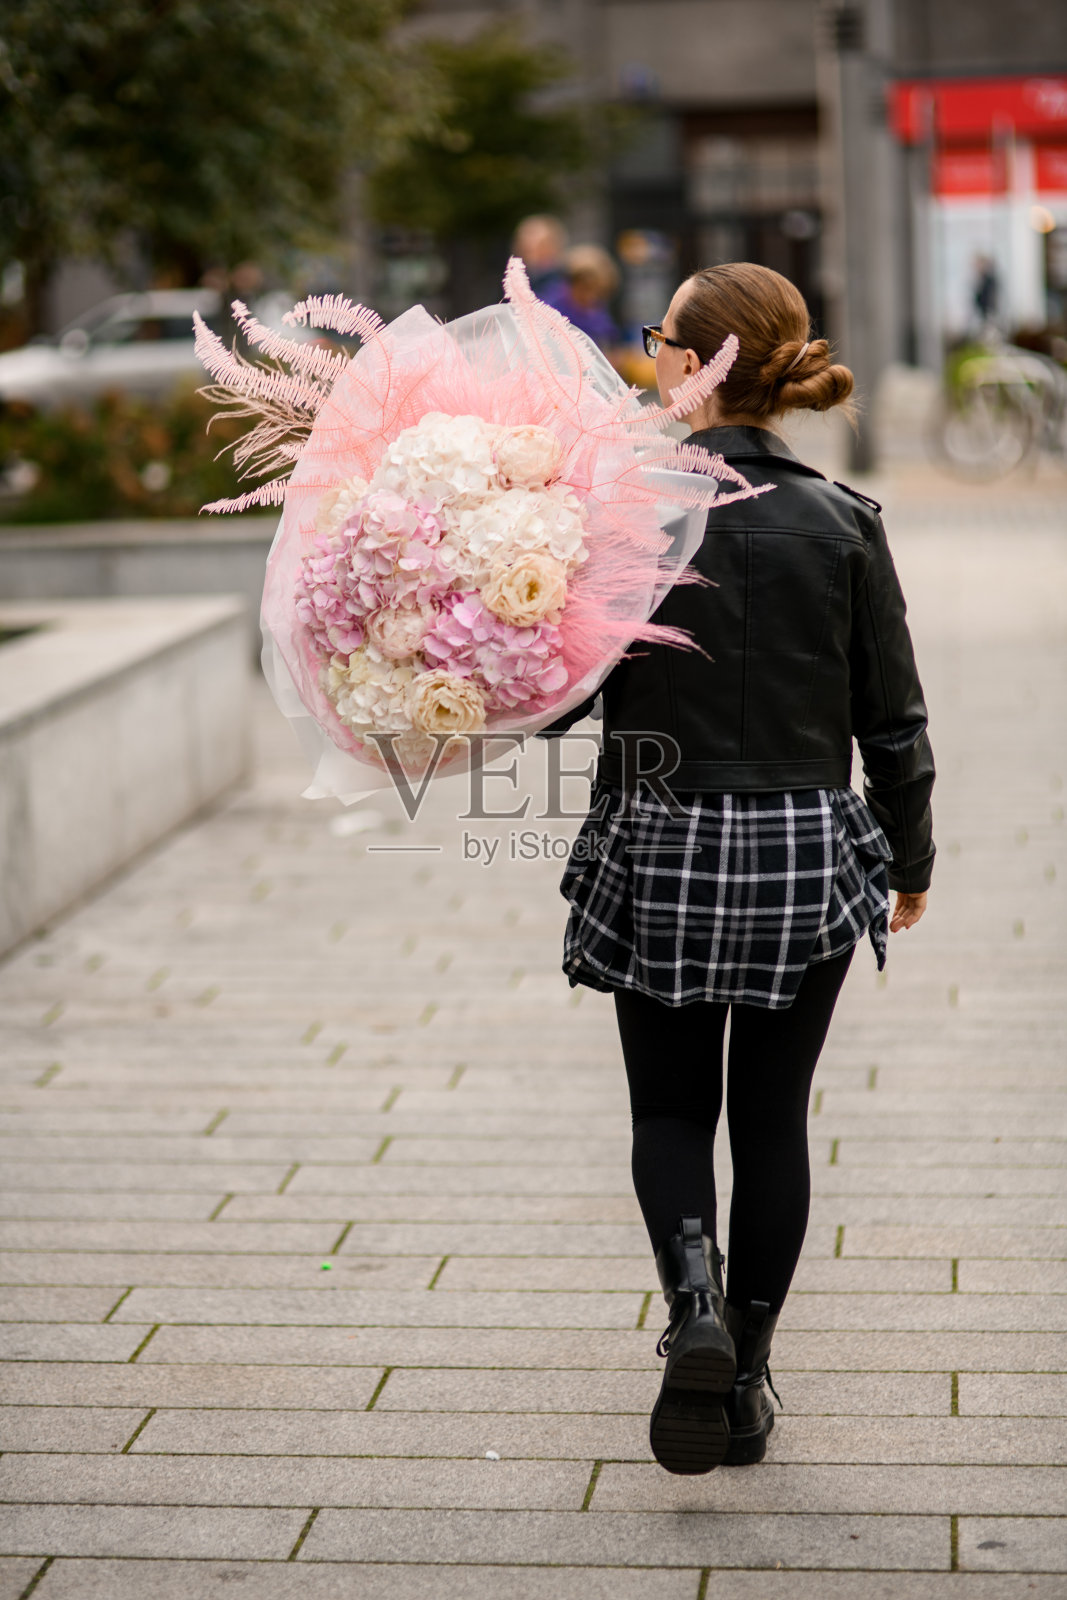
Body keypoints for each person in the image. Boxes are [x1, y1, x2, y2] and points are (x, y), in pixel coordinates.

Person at [537, 262, 935, 1476]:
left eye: (659, 335)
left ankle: (692, 1308)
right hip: (804, 851)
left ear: (686, 364)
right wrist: (909, 861)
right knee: (770, 1121)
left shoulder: (630, 520)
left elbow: (555, 703)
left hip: (658, 843)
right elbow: (894, 722)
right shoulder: (845, 521)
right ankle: (746, 1373)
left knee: (669, 1109)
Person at [540, 244, 623, 356]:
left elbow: (611, 339)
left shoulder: (596, 310)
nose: (592, 298)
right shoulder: (548, 309)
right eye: (588, 289)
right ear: (576, 282)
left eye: (599, 294)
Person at [511, 215, 569, 303]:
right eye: (523, 242)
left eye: (540, 245)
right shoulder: (513, 283)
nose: (528, 245)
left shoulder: (564, 288)